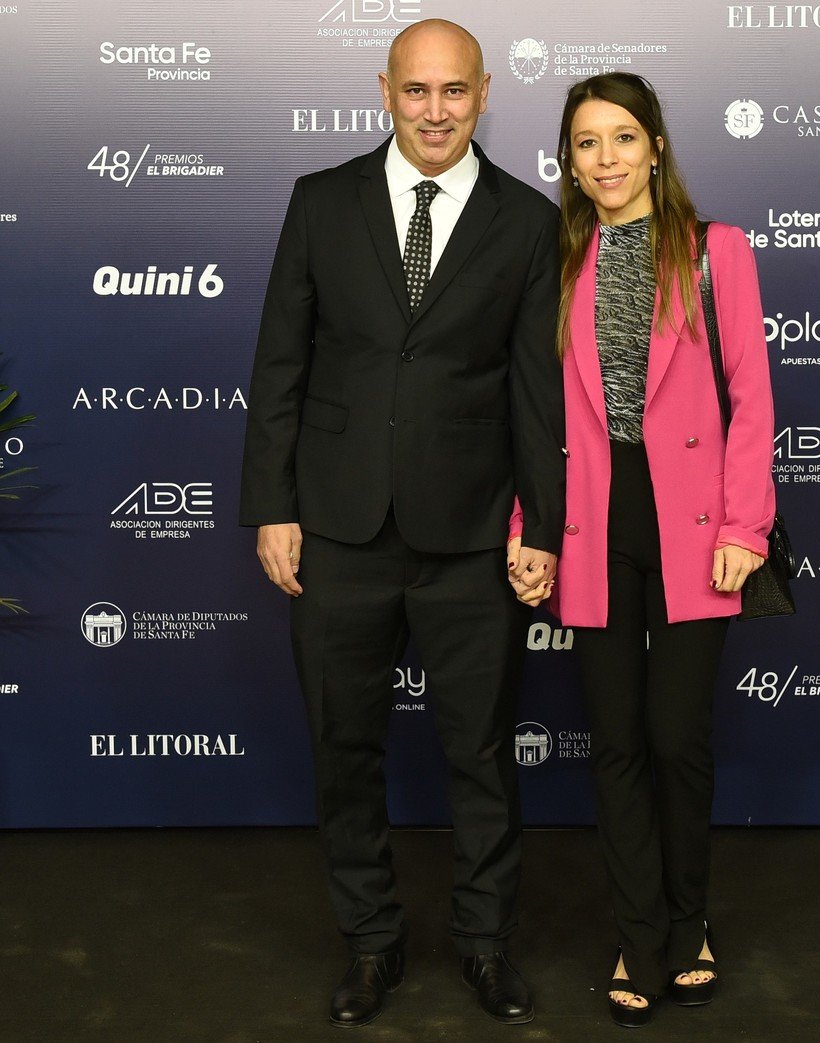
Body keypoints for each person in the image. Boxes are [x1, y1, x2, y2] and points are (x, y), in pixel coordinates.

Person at [239, 19, 564, 1029]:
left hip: (471, 535)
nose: (435, 110)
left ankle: (482, 943)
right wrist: (272, 506)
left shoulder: (527, 219)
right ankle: (370, 943)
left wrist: (539, 527)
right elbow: (280, 368)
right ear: (383, 90)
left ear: (483, 92)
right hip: (335, 528)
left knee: (480, 753)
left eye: (454, 91)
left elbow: (534, 393)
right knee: (344, 747)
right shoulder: (319, 201)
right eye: (416, 90)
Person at [514, 72, 775, 1027]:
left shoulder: (715, 253)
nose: (608, 159)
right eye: (587, 143)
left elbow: (749, 399)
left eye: (623, 138)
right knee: (617, 741)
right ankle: (637, 932)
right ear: (568, 163)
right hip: (594, 519)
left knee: (676, 737)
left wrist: (745, 527)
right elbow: (535, 418)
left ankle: (689, 920)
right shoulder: (555, 261)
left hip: (695, 521)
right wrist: (526, 530)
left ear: (656, 147)